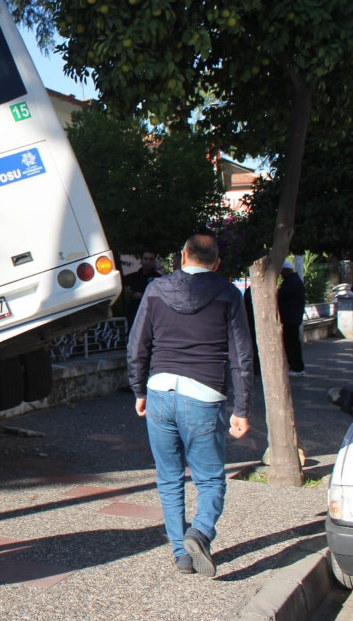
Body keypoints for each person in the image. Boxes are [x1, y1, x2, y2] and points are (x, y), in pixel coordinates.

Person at [127, 232, 254, 577]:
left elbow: (137, 345)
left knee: (169, 478)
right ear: (217, 263)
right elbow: (241, 356)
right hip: (204, 394)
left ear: (182, 257)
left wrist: (140, 390)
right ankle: (200, 532)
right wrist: (241, 409)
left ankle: (182, 554)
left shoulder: (155, 290)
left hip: (160, 390)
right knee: (210, 479)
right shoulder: (229, 294)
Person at [277, 260, 307, 376]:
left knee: (292, 344)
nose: (280, 274)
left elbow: (281, 295)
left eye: (282, 271)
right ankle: (295, 366)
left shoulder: (292, 282)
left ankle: (297, 368)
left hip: (291, 318)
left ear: (287, 270)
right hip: (292, 317)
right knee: (291, 343)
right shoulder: (292, 280)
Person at [120, 251, 163, 320]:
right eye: (146, 259)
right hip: (135, 314)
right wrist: (131, 294)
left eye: (151, 259)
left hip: (151, 315)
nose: (148, 262)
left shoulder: (159, 279)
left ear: (154, 261)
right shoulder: (133, 277)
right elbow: (122, 288)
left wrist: (143, 296)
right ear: (141, 260)